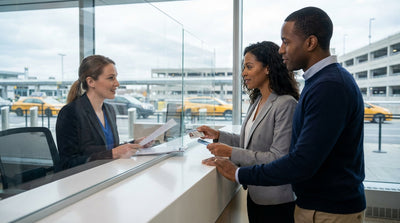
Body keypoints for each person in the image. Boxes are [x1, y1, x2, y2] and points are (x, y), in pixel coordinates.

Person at [203, 7, 366, 223]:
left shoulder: (329, 86)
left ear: (310, 43)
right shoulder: (320, 82)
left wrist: (239, 173)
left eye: (286, 42)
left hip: (329, 210)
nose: (281, 50)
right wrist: (220, 137)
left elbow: (300, 161)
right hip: (316, 205)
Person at [199, 41, 299, 222]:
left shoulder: (286, 104)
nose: (244, 72)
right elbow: (249, 144)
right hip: (255, 195)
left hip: (277, 201)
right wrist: (218, 135)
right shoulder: (258, 102)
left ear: (267, 68)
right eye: (244, 67)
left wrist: (230, 152)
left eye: (249, 67)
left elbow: (278, 158)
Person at [56, 55, 146, 170]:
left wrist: (134, 144)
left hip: (107, 175)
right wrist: (113, 154)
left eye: (116, 77)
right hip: (83, 182)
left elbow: (105, 148)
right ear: (91, 82)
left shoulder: (109, 110)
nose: (117, 83)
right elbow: (67, 163)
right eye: (111, 78)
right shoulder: (70, 113)